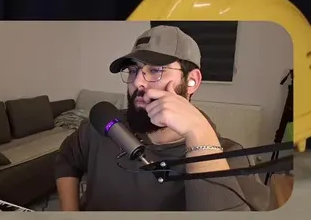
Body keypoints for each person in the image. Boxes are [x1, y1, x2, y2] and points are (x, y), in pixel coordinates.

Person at [54, 25, 269, 211]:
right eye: (133, 70)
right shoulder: (104, 125)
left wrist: (199, 133)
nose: (138, 82)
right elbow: (66, 159)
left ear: (192, 81)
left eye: (155, 70)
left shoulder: (231, 160)